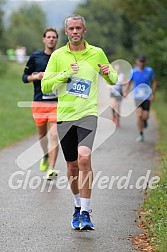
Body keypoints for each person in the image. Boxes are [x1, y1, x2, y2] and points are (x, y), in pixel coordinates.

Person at [42, 14, 118, 230]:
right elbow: (46, 86)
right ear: (66, 32)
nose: (75, 32)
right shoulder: (58, 56)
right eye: (71, 29)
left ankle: (85, 211)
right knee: (72, 165)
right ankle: (76, 206)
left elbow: (113, 78)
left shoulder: (97, 53)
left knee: (84, 159)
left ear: (84, 30)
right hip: (65, 116)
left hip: (87, 114)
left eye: (78, 28)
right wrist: (65, 75)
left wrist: (108, 72)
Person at [22, 28, 59, 179]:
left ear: (57, 40)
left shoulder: (60, 57)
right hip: (39, 103)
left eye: (54, 37)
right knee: (42, 136)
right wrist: (36, 76)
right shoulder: (35, 57)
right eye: (48, 37)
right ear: (44, 39)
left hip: (56, 103)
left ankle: (51, 169)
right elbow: (24, 78)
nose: (51, 39)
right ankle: (45, 155)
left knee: (54, 135)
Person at [125, 55, 157, 142]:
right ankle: (141, 134)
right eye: (140, 61)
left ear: (145, 62)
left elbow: (154, 82)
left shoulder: (149, 71)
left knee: (145, 116)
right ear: (137, 62)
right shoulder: (133, 71)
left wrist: (153, 94)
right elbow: (129, 82)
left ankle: (145, 121)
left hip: (147, 96)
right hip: (137, 96)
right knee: (139, 115)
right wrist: (126, 92)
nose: (141, 63)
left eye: (143, 62)